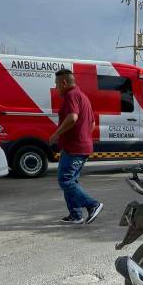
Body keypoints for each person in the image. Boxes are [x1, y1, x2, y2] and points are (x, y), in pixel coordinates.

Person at [49, 69, 103, 225]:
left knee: (65, 180)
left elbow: (72, 117)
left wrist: (57, 134)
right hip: (81, 146)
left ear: (64, 83)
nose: (56, 87)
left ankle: (92, 204)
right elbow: (92, 123)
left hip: (74, 148)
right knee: (71, 181)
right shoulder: (83, 96)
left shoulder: (71, 95)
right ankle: (75, 215)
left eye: (57, 84)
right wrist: (84, 136)